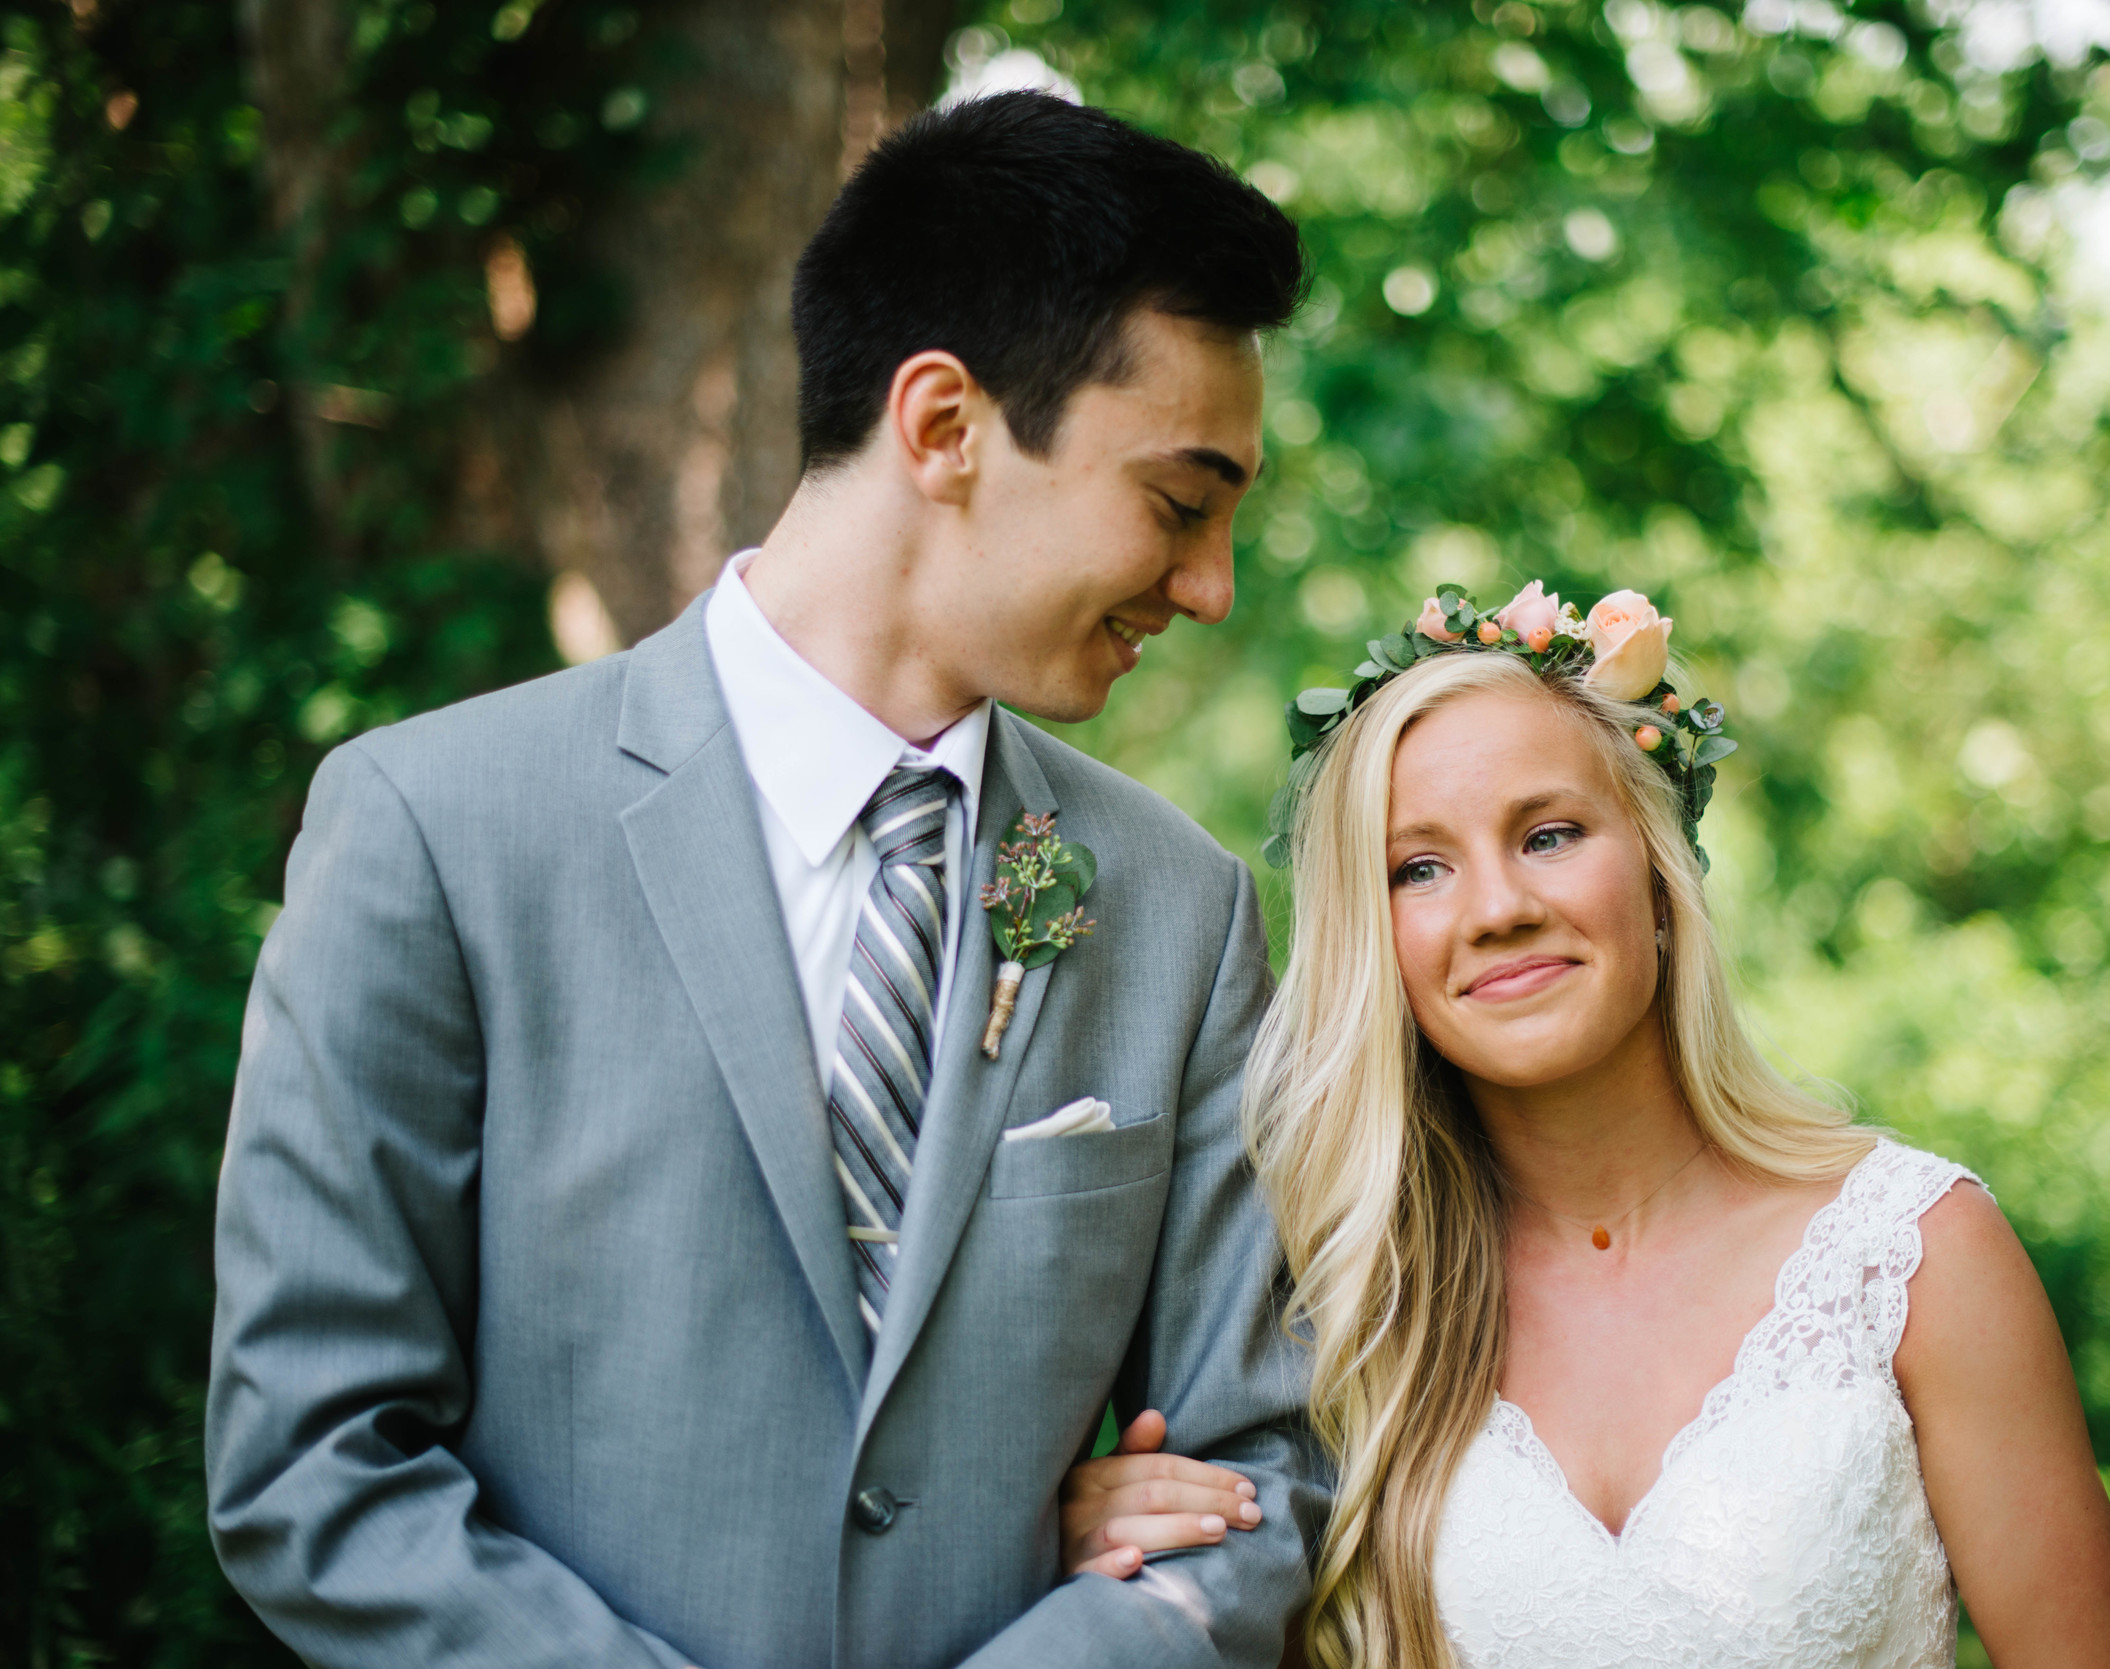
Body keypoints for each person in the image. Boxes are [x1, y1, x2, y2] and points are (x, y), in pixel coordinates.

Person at [207, 91, 1320, 1669]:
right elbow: (313, 1466)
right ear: (943, 426)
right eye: (1181, 503)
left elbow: (1259, 1482)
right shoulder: (433, 829)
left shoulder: (1180, 911)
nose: (1209, 588)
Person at [1061, 584, 2110, 1668]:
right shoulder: (1337, 1304)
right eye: (1420, 868)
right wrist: (1139, 1553)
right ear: (1373, 940)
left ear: (1659, 878)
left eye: (1548, 834)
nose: (1498, 907)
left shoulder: (1917, 1254)